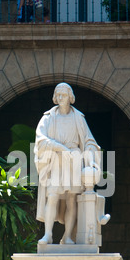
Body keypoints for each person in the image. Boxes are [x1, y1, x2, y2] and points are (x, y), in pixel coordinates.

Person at [34, 83, 101, 245]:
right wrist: (59, 147)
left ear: (70, 97)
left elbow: (89, 141)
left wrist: (90, 157)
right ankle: (48, 235)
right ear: (55, 98)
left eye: (64, 94)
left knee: (72, 199)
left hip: (74, 159)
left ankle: (68, 236)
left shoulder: (78, 118)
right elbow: (41, 140)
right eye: (58, 95)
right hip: (56, 159)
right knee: (53, 196)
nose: (61, 97)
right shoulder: (48, 117)